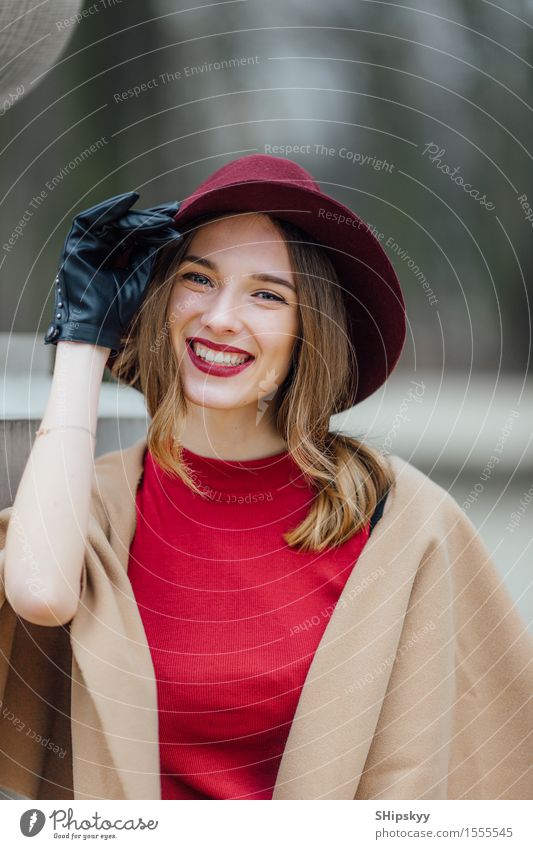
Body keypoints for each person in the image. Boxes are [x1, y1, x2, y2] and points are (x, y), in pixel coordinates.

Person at [0, 155, 531, 801]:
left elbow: (491, 769)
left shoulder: (406, 522)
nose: (220, 316)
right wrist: (83, 339)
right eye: (198, 278)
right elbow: (39, 593)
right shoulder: (98, 503)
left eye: (265, 293)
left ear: (312, 328)